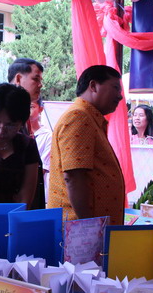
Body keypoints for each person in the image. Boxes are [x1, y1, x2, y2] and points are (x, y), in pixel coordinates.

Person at [48, 66, 125, 224]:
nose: (120, 96)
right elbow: (74, 177)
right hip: (79, 228)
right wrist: (89, 226)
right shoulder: (79, 116)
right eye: (115, 88)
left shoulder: (89, 117)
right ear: (93, 86)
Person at [30, 99, 52, 203]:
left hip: (38, 191)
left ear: (41, 109)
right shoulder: (17, 134)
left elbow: (42, 168)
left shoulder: (48, 136)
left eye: (31, 106)